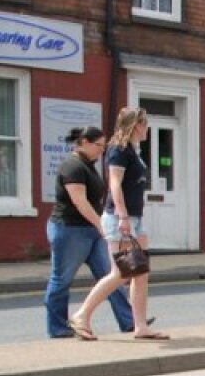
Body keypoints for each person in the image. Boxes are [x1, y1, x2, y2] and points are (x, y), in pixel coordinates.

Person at [71, 107, 168, 341]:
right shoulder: (118, 150)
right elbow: (114, 184)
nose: (147, 128)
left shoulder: (133, 150)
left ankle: (141, 326)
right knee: (121, 272)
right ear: (136, 125)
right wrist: (123, 217)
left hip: (135, 217)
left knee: (141, 272)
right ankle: (81, 315)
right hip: (119, 217)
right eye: (145, 124)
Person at [43, 127, 137, 339]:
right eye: (98, 146)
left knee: (111, 275)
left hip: (90, 229)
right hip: (69, 229)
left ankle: (129, 320)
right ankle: (58, 328)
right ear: (84, 142)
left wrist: (98, 226)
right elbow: (80, 201)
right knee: (61, 279)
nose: (101, 151)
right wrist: (101, 225)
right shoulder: (72, 166)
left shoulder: (88, 165)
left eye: (104, 147)